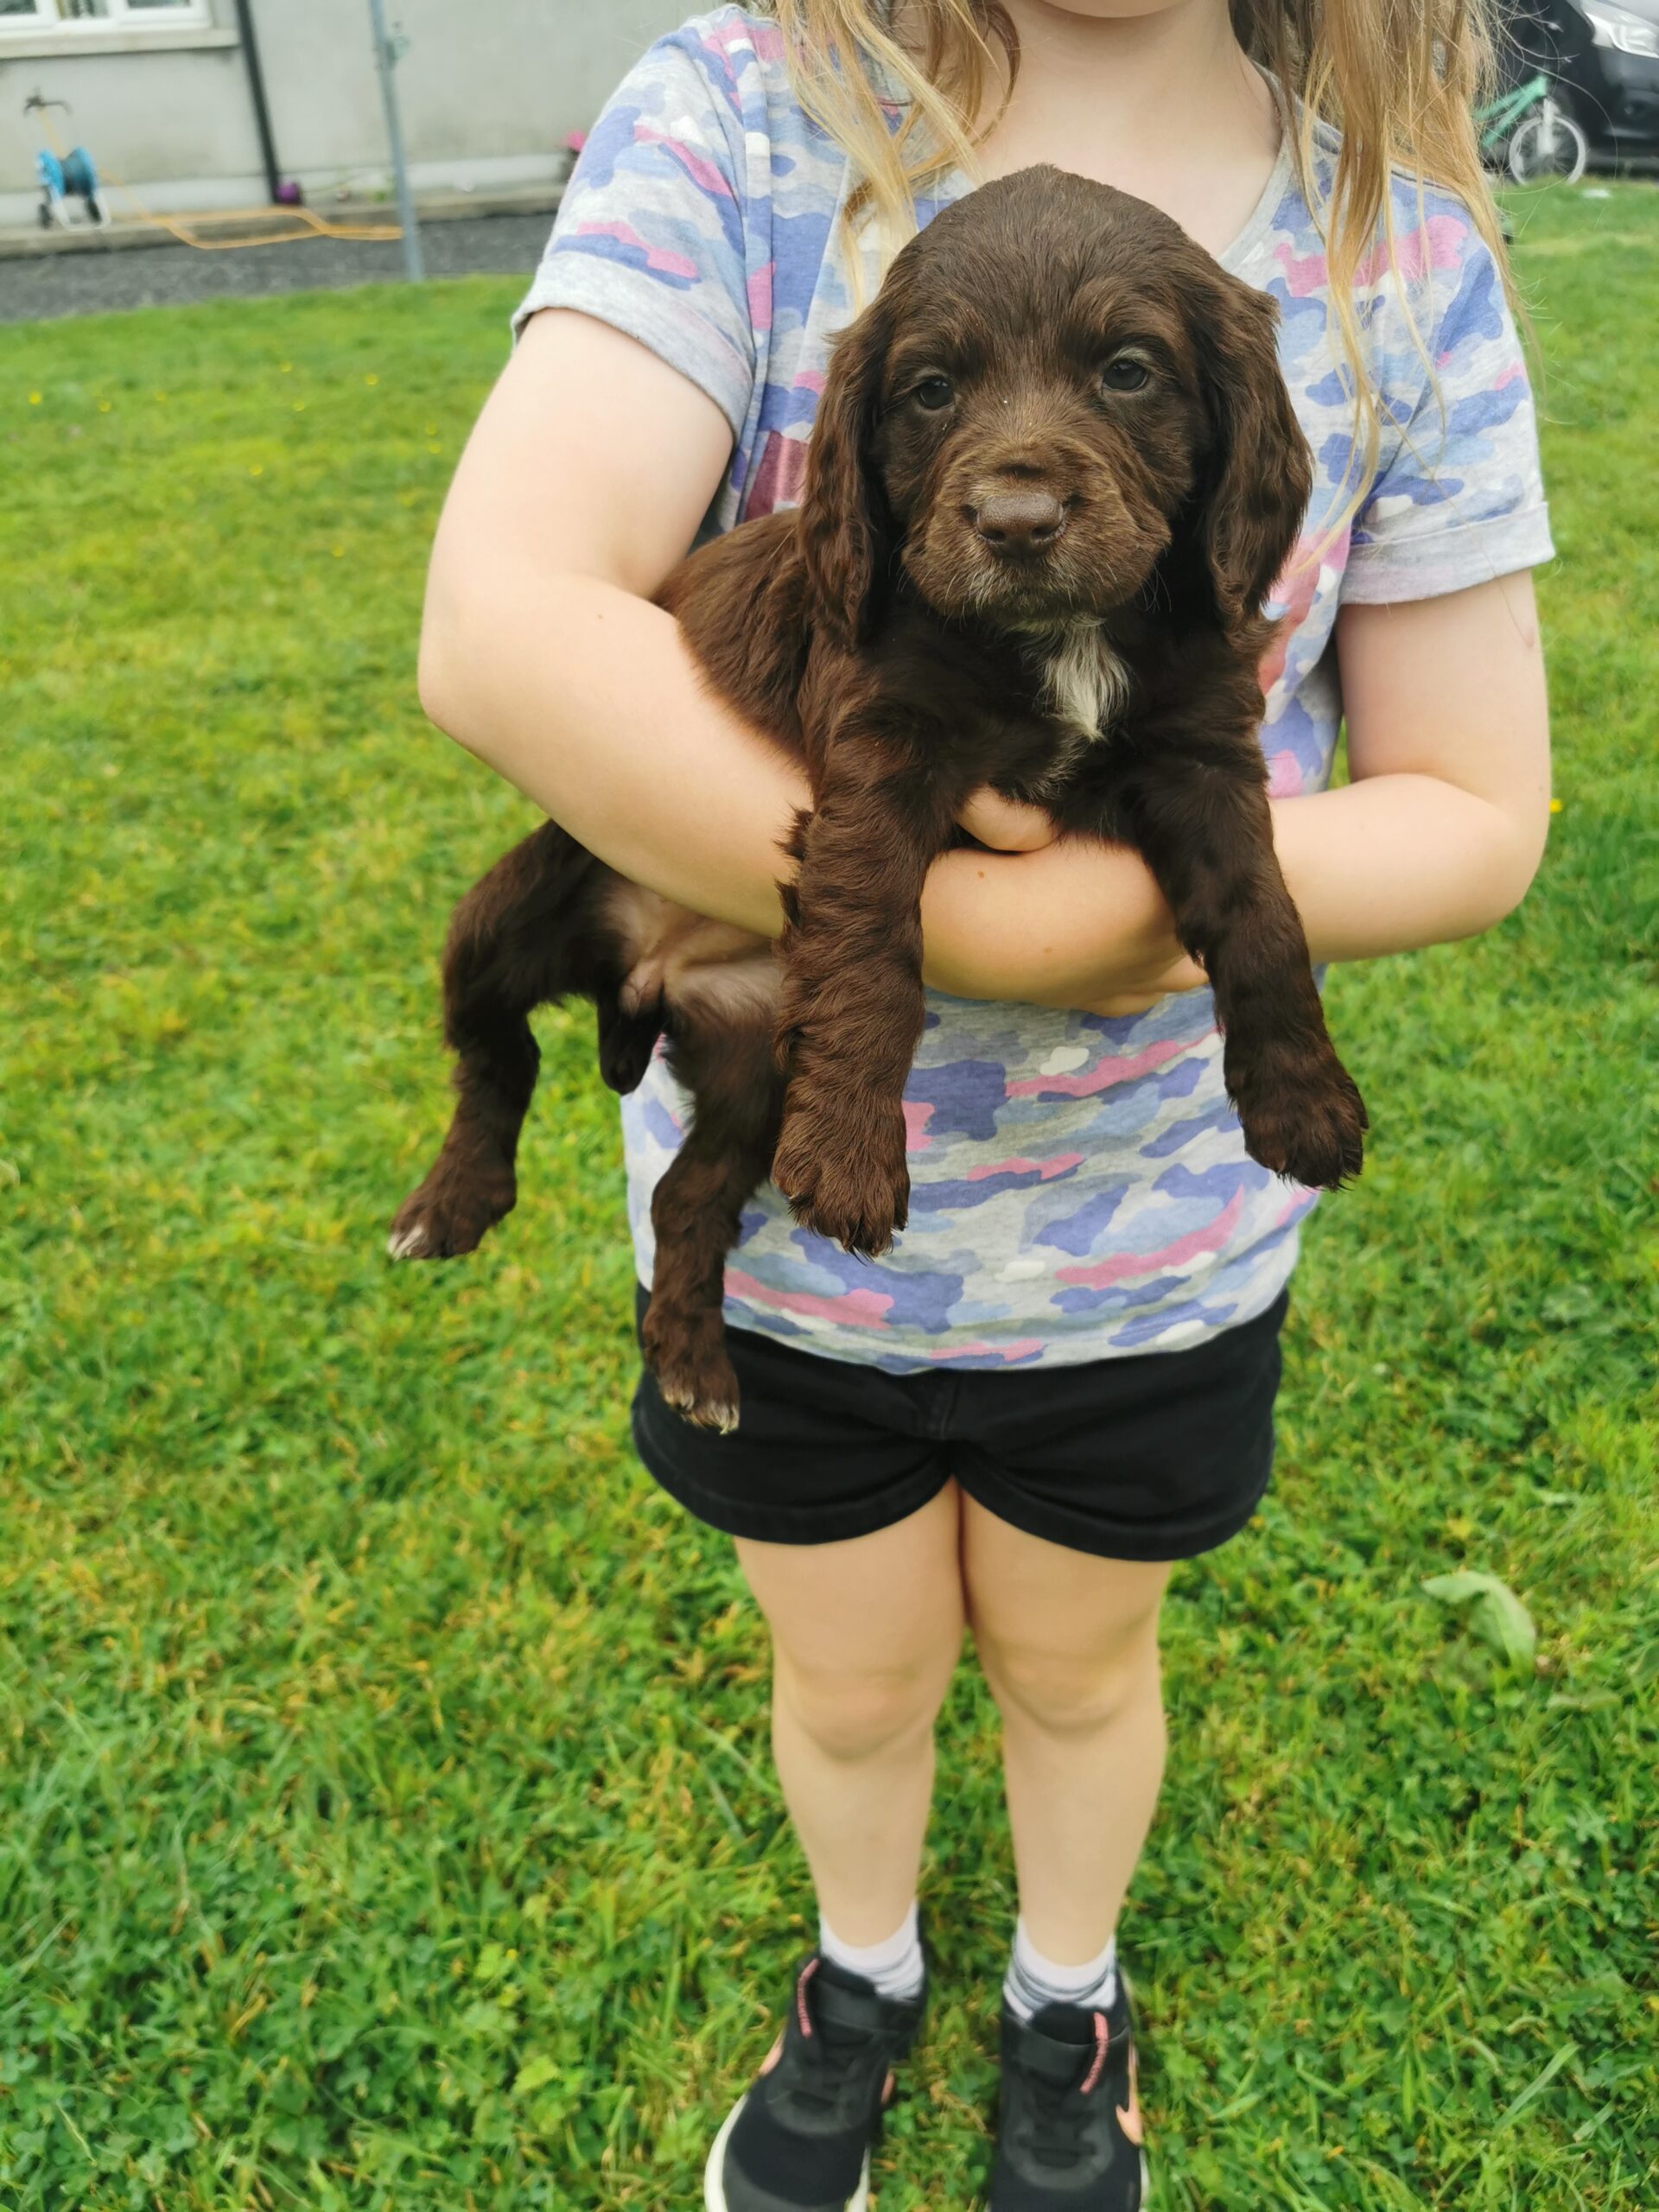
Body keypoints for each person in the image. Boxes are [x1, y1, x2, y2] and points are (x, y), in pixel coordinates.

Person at [416, 3, 1553, 2204]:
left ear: (1218, 424)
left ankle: (1064, 1984)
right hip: (796, 1276)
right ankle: (863, 1966)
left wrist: (1045, 928)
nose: (1026, 455)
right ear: (884, 428)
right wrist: (935, 920)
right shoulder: (748, 127)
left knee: (1077, 1664)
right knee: (848, 1686)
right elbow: (495, 626)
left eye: (1121, 382)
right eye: (949, 402)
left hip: (1145, 1267)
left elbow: (1482, 804)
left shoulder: (1388, 250)